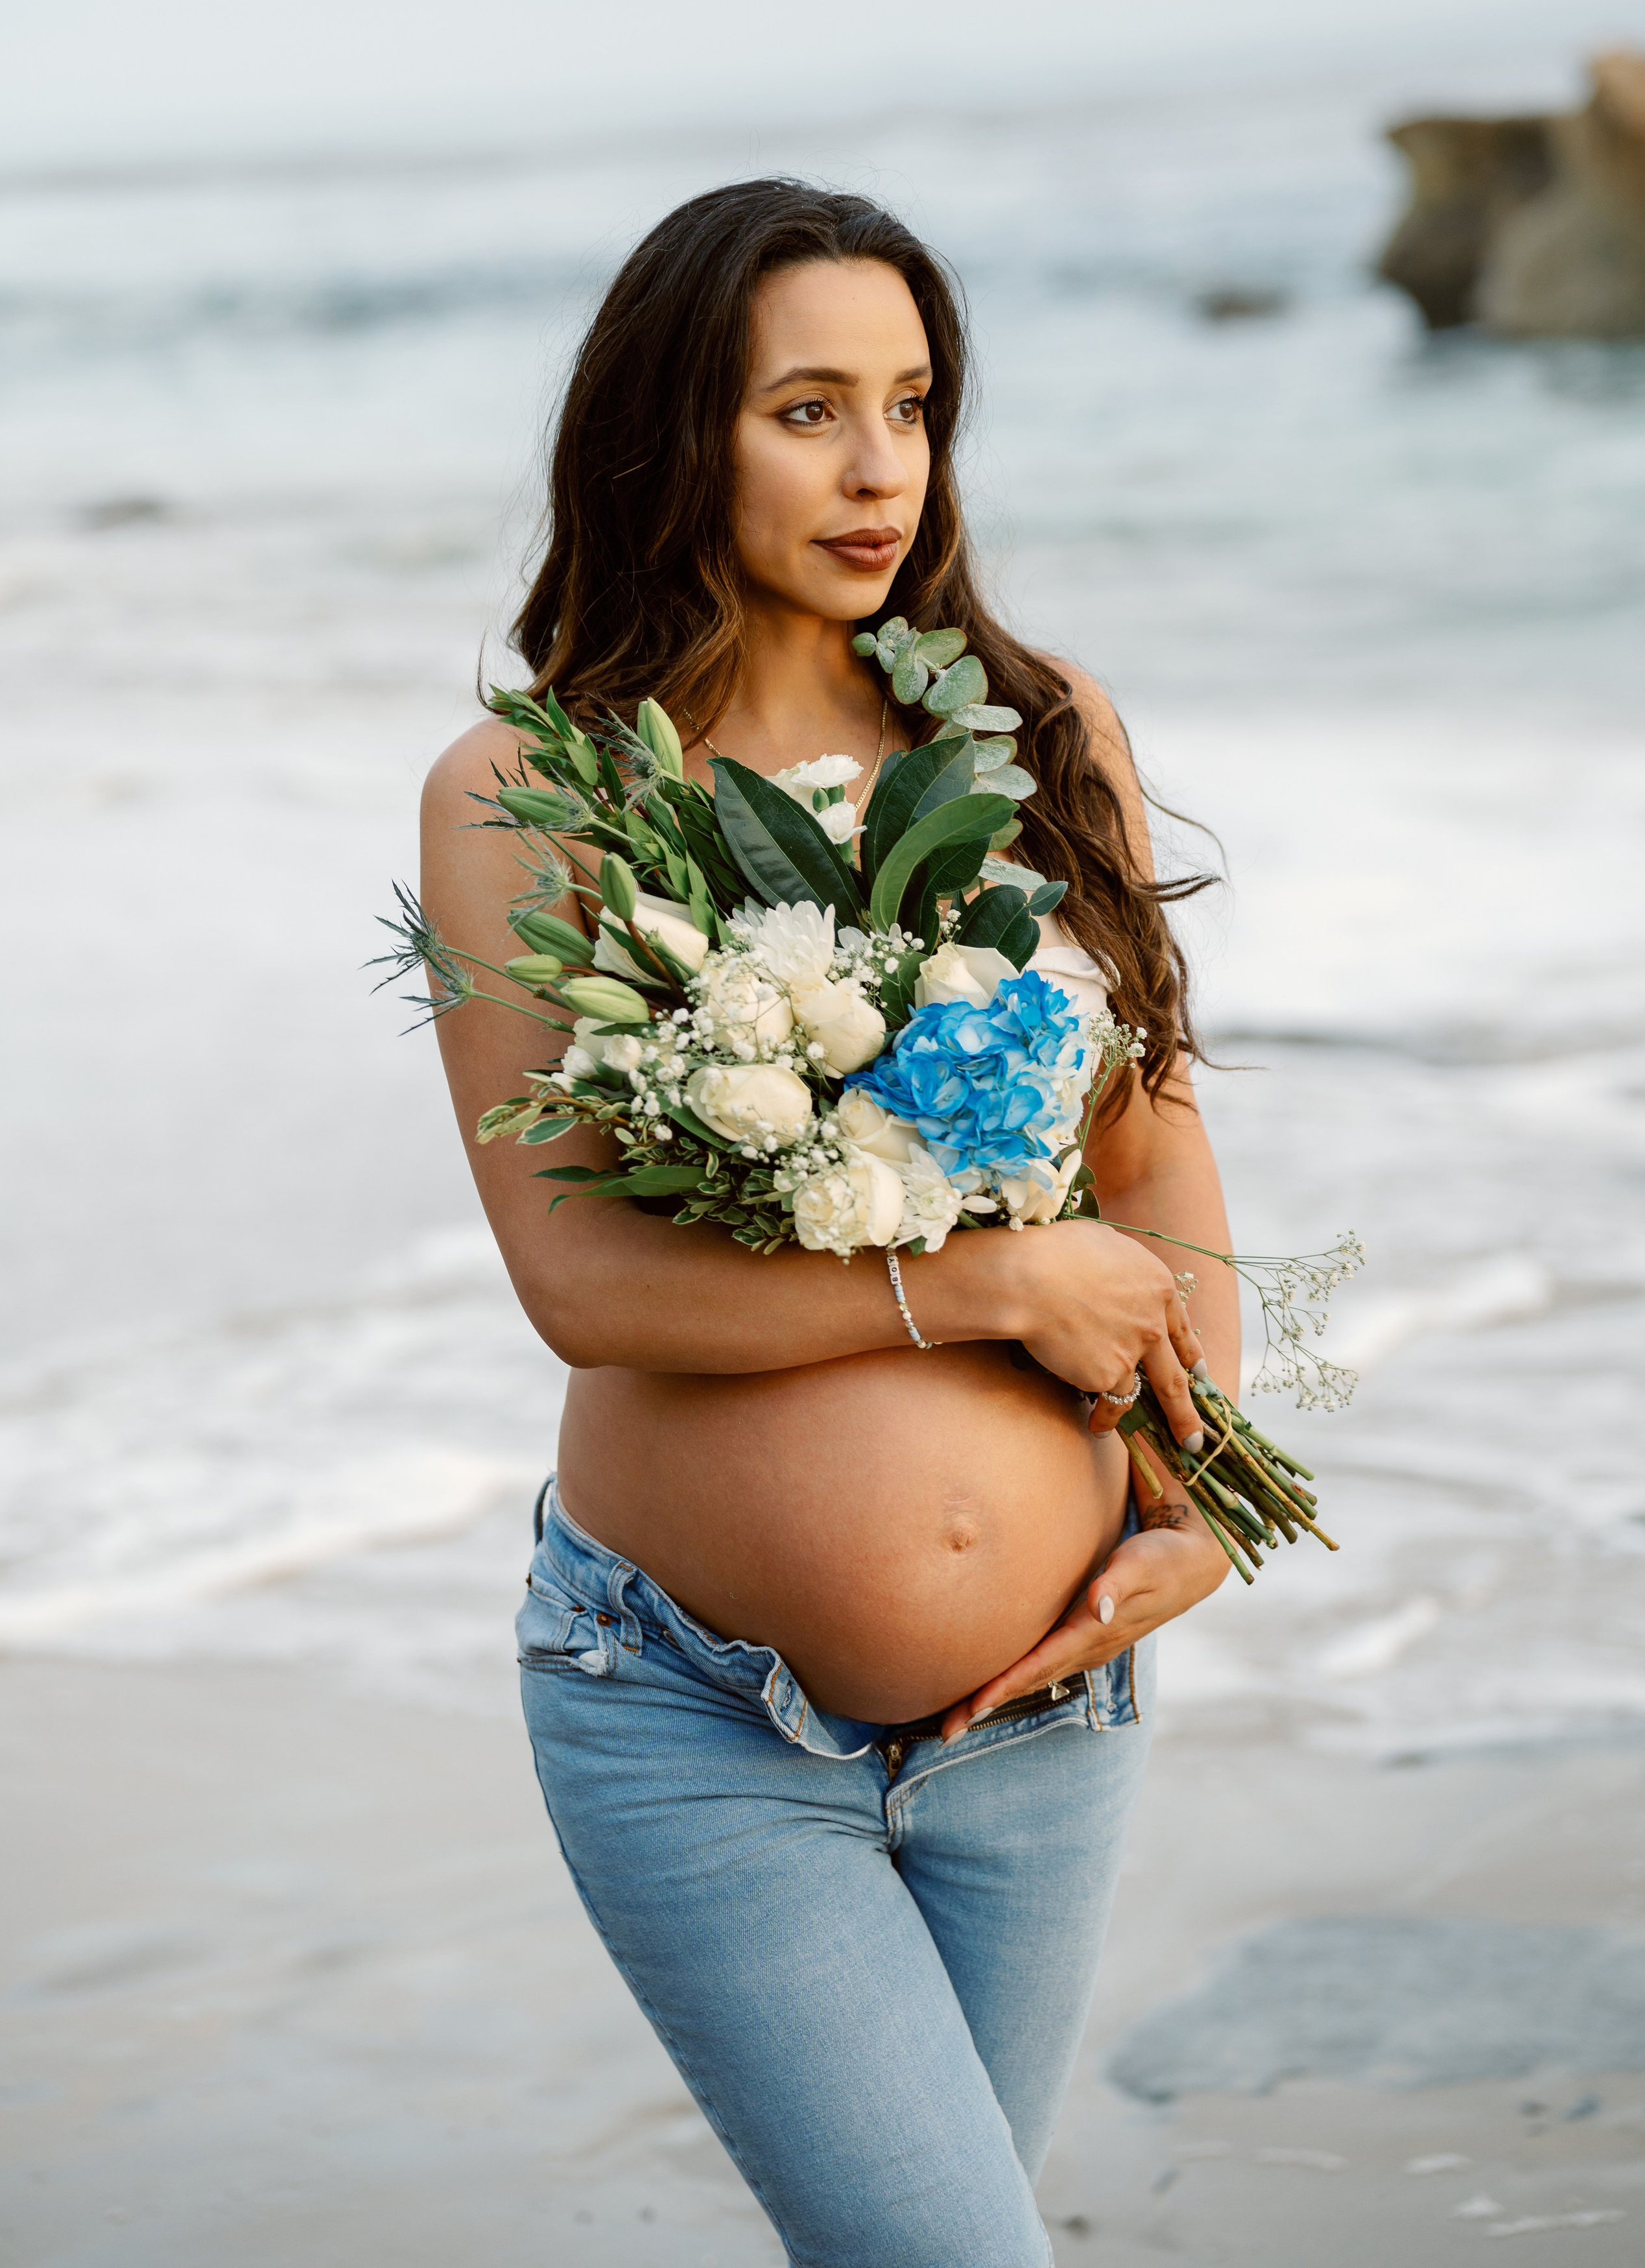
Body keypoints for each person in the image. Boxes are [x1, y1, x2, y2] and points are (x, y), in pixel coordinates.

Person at [421, 180, 1235, 2267]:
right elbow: (580, 1283)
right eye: (808, 410)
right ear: (672, 428)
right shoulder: (539, 798)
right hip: (697, 1709)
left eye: (913, 403)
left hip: (1047, 1720)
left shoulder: (1048, 733)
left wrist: (1199, 1492)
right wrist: (986, 1279)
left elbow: (1148, 1158)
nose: (884, 468)